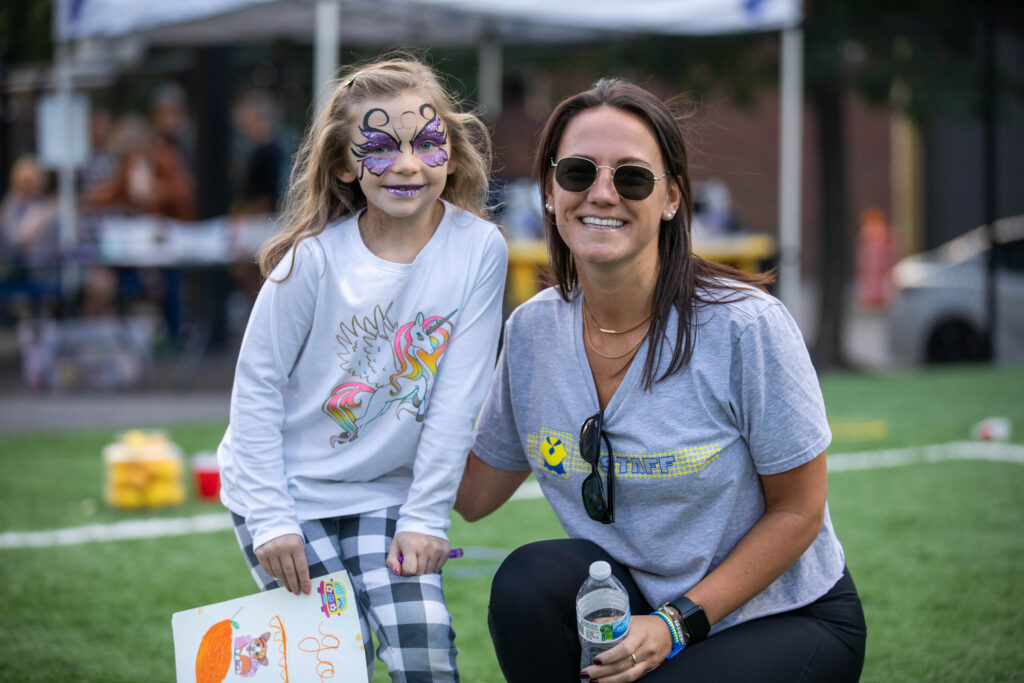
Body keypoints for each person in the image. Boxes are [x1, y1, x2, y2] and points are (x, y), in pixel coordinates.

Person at [455, 79, 866, 682]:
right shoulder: (531, 331)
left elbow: (800, 511)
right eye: (576, 172)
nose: (602, 193)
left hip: (784, 617)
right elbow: (473, 495)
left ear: (671, 197)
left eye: (632, 178)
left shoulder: (744, 326)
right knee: (527, 584)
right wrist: (388, 388)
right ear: (548, 189)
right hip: (636, 605)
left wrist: (677, 624)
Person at [216, 55, 507, 682]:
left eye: (427, 143)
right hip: (285, 494)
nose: (407, 163)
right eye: (380, 147)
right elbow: (256, 391)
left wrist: (427, 517)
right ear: (347, 165)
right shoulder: (310, 264)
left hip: (385, 491)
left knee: (424, 650)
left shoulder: (480, 249)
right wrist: (270, 520)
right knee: (332, 664)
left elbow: (459, 398)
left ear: (451, 154)